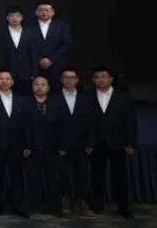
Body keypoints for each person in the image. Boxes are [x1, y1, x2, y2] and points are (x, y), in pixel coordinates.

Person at [86, 65, 136, 219]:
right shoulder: (87, 96)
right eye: (97, 77)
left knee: (120, 177)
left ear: (111, 79)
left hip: (118, 143)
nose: (101, 80)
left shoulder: (123, 97)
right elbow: (85, 122)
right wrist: (88, 143)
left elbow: (131, 122)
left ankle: (123, 207)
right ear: (93, 80)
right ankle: (97, 205)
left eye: (104, 76)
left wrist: (130, 143)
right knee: (96, 176)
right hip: (96, 143)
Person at [0, 69, 33, 217]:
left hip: (17, 145)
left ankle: (17, 205)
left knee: (16, 176)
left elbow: (27, 124)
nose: (4, 81)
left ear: (12, 81)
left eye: (7, 79)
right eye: (1, 79)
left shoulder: (22, 100)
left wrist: (28, 144)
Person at [28, 75, 65, 217]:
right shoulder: (26, 104)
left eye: (43, 85)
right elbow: (23, 128)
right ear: (32, 87)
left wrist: (62, 146)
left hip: (52, 148)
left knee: (53, 179)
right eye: (36, 84)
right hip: (32, 148)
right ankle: (33, 205)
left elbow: (63, 127)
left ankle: (55, 207)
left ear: (48, 88)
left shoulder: (57, 104)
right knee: (33, 178)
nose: (39, 87)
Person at [57, 67, 92, 215]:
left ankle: (82, 201)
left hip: (82, 144)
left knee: (82, 174)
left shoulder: (86, 99)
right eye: (66, 77)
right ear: (61, 80)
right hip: (61, 145)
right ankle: (65, 202)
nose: (69, 80)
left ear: (77, 80)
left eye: (72, 77)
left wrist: (90, 143)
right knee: (62, 174)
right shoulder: (54, 98)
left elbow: (92, 123)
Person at [28, 2, 73, 86]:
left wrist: (51, 59)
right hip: (35, 66)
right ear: (36, 12)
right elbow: (26, 46)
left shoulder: (62, 26)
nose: (44, 12)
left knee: (56, 90)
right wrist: (38, 60)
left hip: (56, 66)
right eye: (41, 10)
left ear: (53, 12)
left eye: (47, 10)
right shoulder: (28, 27)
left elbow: (66, 45)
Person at [2, 7, 35, 95]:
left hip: (26, 73)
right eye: (11, 15)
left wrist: (34, 73)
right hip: (7, 73)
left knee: (26, 99)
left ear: (22, 18)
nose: (15, 18)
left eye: (17, 15)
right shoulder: (1, 33)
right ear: (7, 18)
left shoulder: (30, 33)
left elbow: (34, 54)